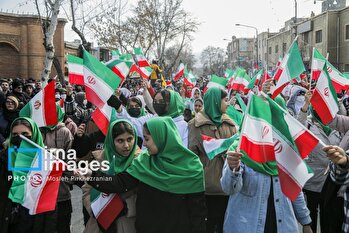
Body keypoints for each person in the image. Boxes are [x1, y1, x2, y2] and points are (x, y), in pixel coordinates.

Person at [80, 117, 207, 233]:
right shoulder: (144, 162)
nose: (144, 144)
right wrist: (92, 175)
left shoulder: (193, 167)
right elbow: (120, 183)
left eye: (147, 139)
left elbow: (197, 212)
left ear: (160, 137)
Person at [221, 141, 313, 233]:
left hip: (283, 227)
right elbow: (229, 189)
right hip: (247, 227)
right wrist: (233, 169)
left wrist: (306, 222)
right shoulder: (239, 150)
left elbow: (295, 190)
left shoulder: (285, 151)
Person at [188, 87, 237, 233]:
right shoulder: (195, 125)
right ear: (216, 101)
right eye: (225, 100)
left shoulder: (231, 123)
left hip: (227, 186)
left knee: (225, 226)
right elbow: (192, 155)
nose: (228, 104)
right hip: (206, 188)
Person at [83, 120, 141, 233]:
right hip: (99, 224)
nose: (126, 145)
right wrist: (95, 209)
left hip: (127, 223)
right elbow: (86, 190)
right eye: (120, 140)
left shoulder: (140, 162)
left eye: (129, 139)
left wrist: (125, 207)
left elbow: (144, 195)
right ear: (111, 141)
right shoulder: (99, 159)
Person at [0, 117, 56, 233]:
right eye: (15, 134)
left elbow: (50, 206)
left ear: (34, 136)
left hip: (34, 222)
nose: (20, 138)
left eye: (25, 134)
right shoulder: (3, 159)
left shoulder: (46, 163)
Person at [298, 91, 341, 233]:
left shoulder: (336, 124)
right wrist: (305, 104)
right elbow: (298, 124)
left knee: (328, 217)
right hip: (313, 179)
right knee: (311, 216)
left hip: (331, 180)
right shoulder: (308, 124)